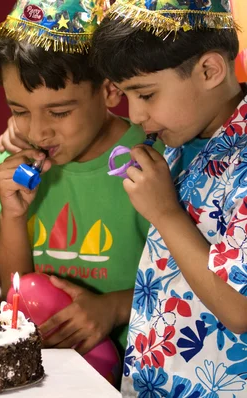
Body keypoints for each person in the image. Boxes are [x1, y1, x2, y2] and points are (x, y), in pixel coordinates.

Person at [0, 0, 162, 356]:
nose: (38, 132)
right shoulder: (8, 172)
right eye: (19, 112)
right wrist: (14, 215)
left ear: (110, 90)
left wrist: (113, 307)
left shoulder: (151, 158)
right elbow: (13, 292)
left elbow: (192, 283)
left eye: (59, 112)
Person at [91, 1, 247, 395]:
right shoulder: (181, 136)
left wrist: (164, 212)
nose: (136, 114)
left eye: (145, 94)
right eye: (127, 94)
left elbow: (239, 308)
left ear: (210, 70)